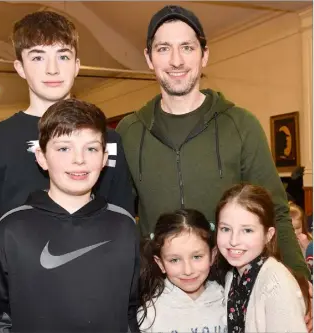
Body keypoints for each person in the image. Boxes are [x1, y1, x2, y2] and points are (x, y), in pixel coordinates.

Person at [0, 11, 135, 324]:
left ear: (78, 65)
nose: (53, 69)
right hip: (24, 309)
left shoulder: (109, 140)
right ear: (20, 67)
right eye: (38, 57)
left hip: (97, 307)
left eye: (63, 56)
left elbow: (123, 233)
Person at [116, 4, 309, 279]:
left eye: (187, 47)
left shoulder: (241, 124)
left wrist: (300, 280)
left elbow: (275, 212)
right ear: (148, 58)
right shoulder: (129, 131)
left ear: (204, 54)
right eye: (163, 49)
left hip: (232, 288)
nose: (176, 60)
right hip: (156, 292)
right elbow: (115, 217)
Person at [0, 99, 140, 333]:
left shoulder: (124, 227)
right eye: (63, 148)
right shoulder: (12, 229)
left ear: (104, 157)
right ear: (41, 156)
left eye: (91, 148)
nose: (79, 159)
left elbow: (132, 311)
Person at [216, 183, 309, 333]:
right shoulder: (232, 276)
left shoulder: (276, 285)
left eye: (247, 230)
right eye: (225, 229)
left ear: (268, 235)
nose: (233, 240)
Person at [137, 209, 226, 332]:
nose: (188, 271)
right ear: (160, 263)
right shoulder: (150, 314)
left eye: (197, 257)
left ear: (213, 255)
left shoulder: (227, 300)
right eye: (174, 260)